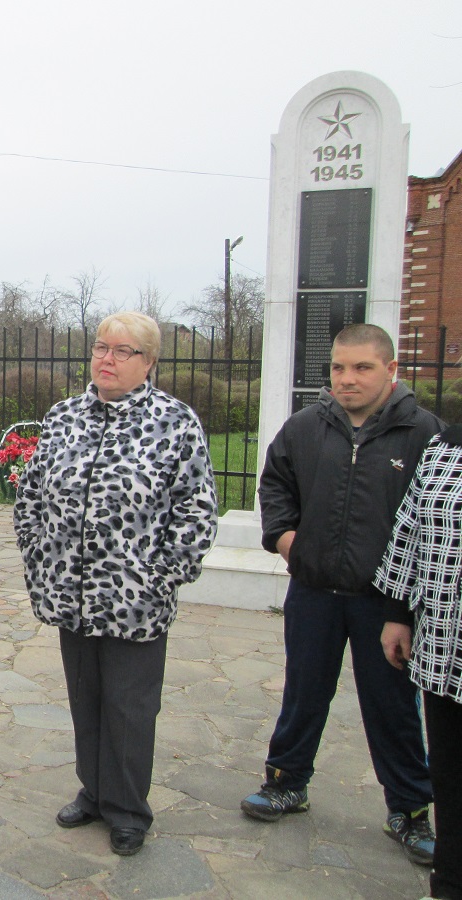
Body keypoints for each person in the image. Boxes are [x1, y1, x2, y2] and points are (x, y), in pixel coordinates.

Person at [13, 311, 218, 857]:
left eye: (123, 351)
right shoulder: (62, 418)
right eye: (102, 346)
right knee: (86, 698)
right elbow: (30, 495)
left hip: (135, 602)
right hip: (70, 594)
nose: (107, 358)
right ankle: (94, 791)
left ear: (149, 363)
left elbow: (196, 513)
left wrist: (161, 578)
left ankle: (127, 808)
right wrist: (39, 556)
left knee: (130, 707)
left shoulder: (175, 423)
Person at [240, 323, 440, 868]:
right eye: (337, 368)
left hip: (386, 603)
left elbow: (435, 522)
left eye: (362, 368)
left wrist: (406, 602)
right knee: (304, 691)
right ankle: (286, 781)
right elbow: (275, 483)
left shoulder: (424, 435)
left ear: (391, 370)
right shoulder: (306, 427)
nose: (346, 380)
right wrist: (286, 539)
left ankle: (409, 807)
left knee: (393, 706)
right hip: (314, 591)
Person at [376, 423, 462, 899]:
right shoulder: (445, 446)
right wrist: (397, 614)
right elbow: (409, 531)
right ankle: (449, 882)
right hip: (446, 643)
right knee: (450, 769)